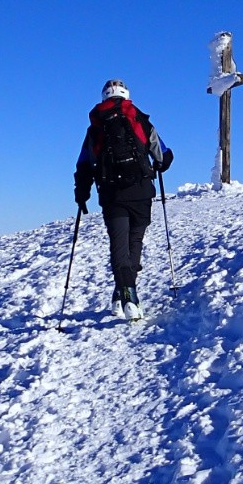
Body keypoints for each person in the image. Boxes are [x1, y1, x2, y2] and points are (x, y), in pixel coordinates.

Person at [74, 79, 173, 320]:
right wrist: (159, 165)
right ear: (126, 95)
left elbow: (84, 165)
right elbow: (163, 155)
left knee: (119, 246)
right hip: (141, 192)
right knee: (134, 243)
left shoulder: (95, 127)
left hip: (112, 194)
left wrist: (82, 193)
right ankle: (128, 294)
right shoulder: (140, 119)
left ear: (104, 97)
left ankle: (125, 293)